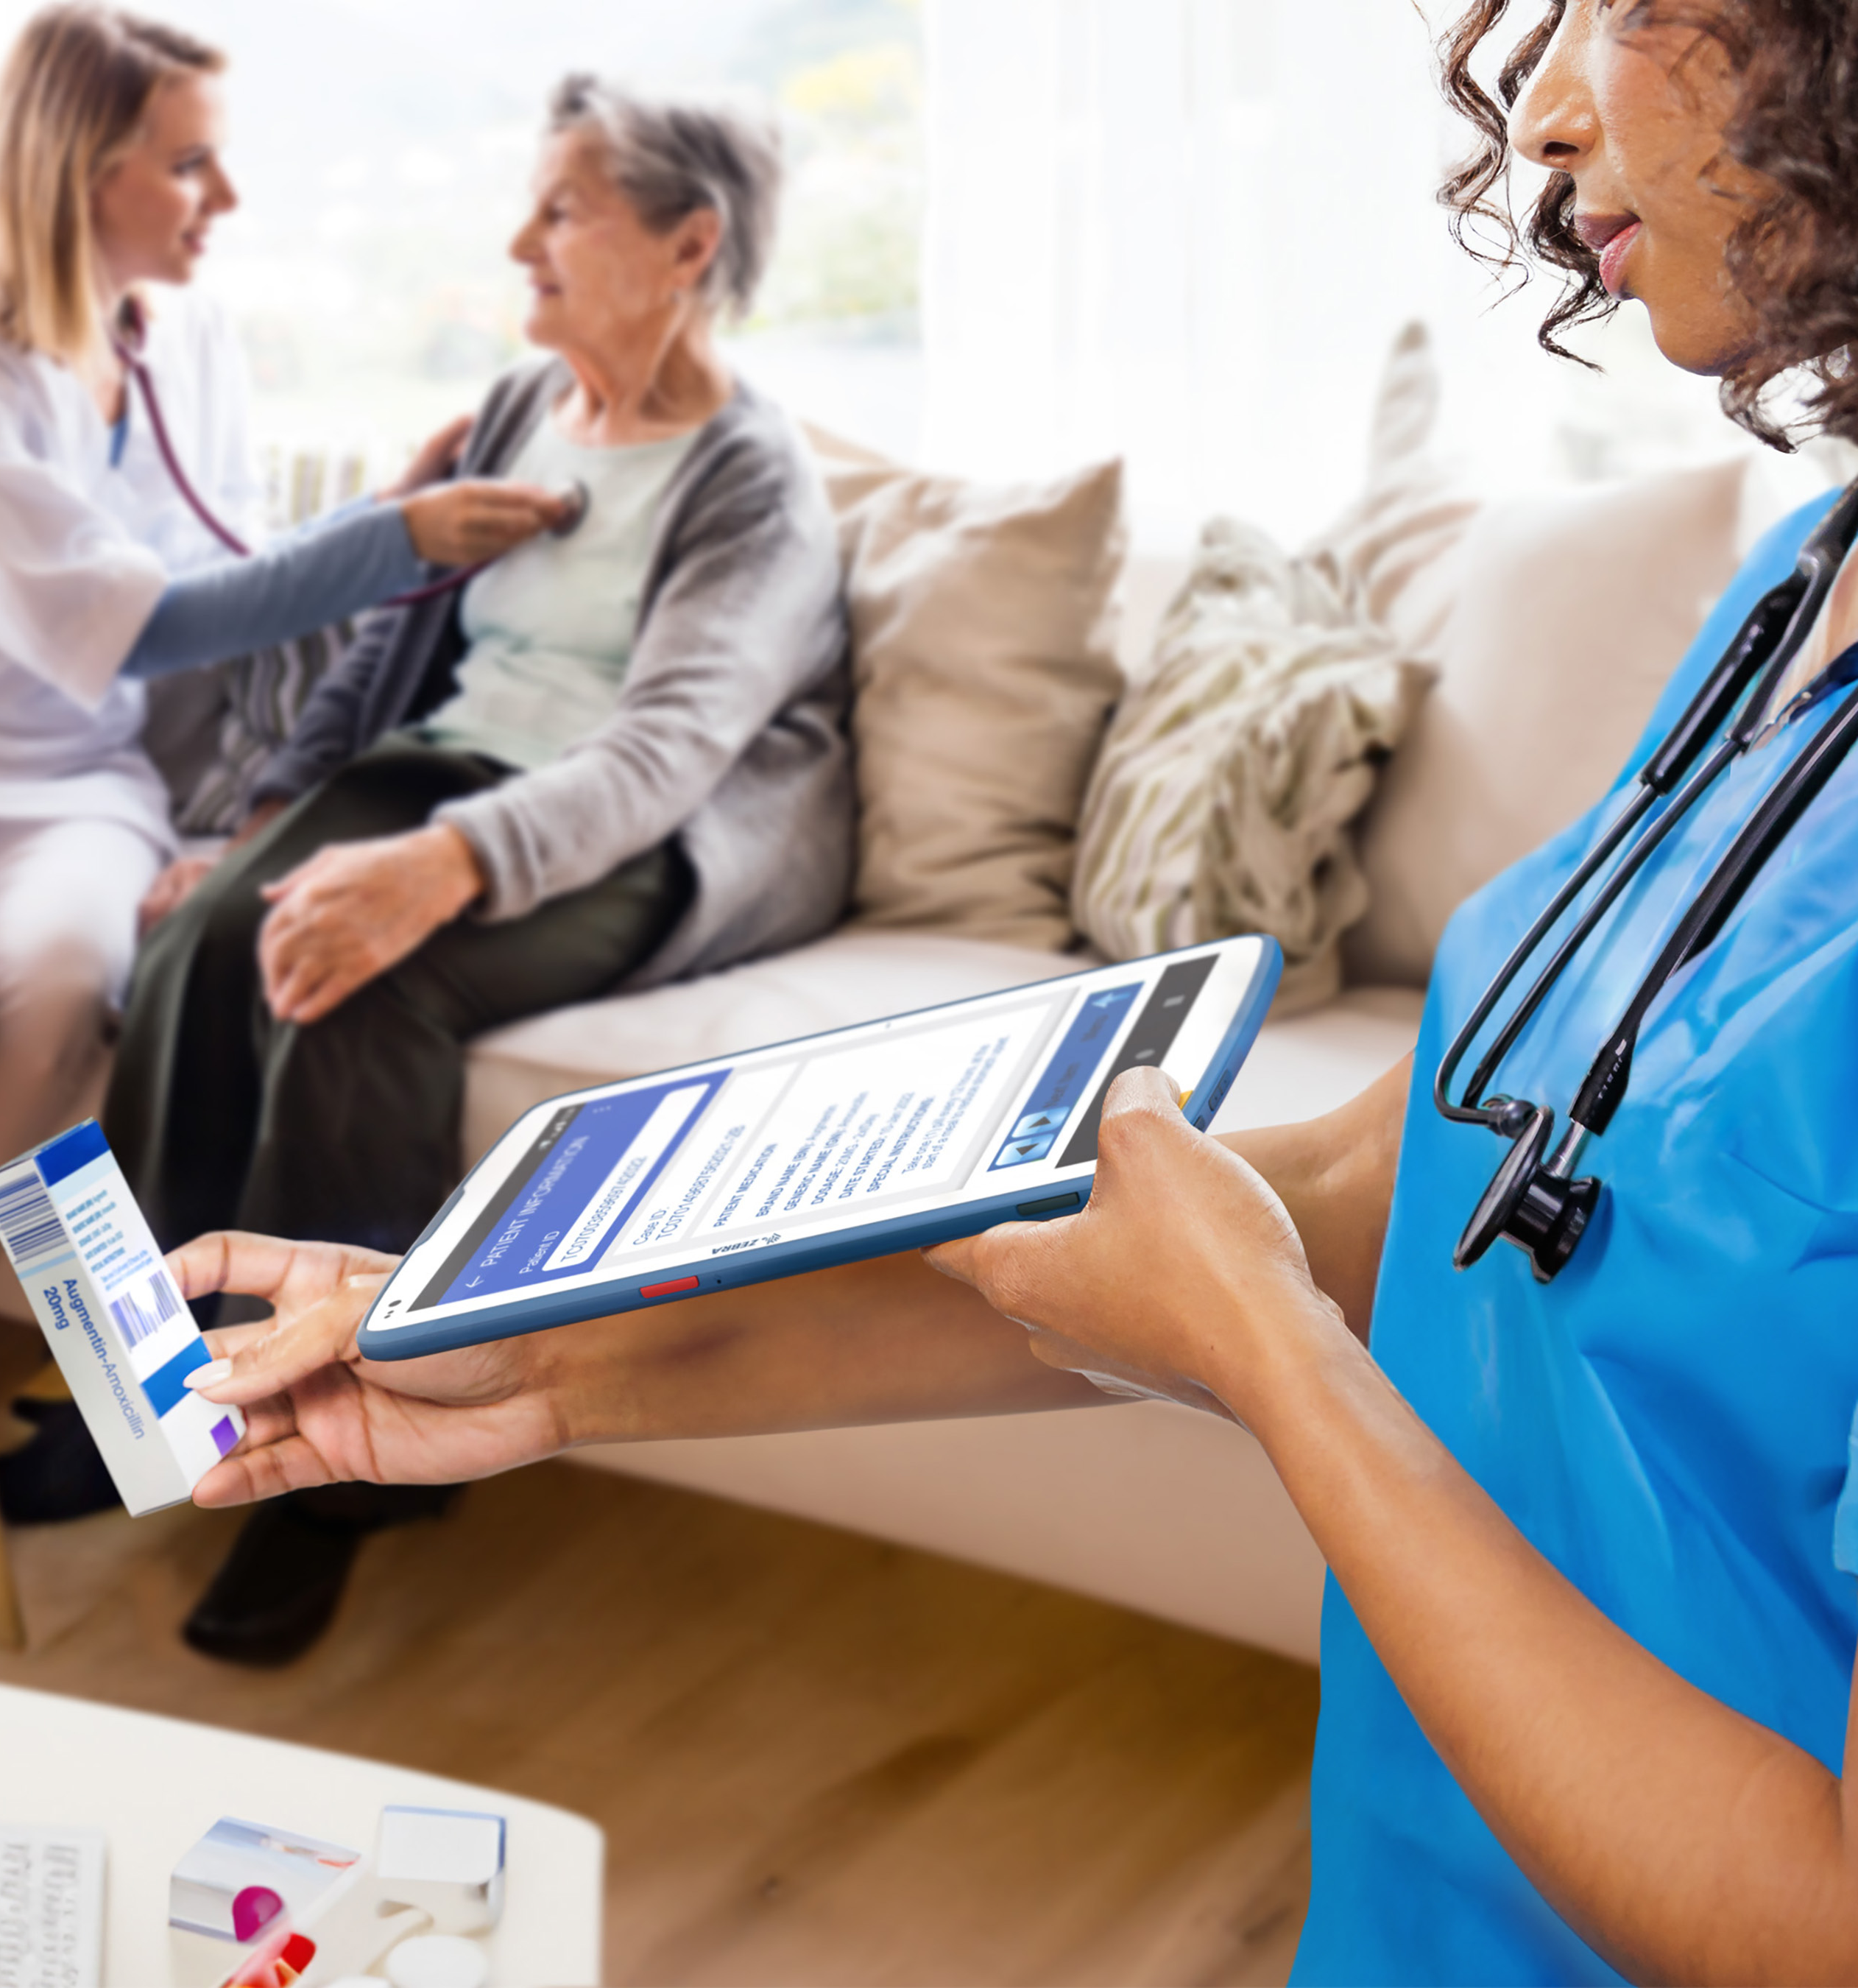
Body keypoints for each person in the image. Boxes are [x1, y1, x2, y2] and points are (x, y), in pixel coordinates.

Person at [158, 4, 1858, 1978]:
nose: (1546, 111)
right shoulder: (1786, 612)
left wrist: (1266, 1359)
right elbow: (1365, 1199)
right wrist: (541, 1358)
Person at [0, 4, 565, 1495]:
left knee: (61, 992)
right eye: (191, 167)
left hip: (70, 777)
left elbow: (223, 571)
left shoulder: (187, 343)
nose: (223, 203)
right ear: (77, 169)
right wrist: (390, 541)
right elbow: (152, 623)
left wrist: (386, 512)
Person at [103, 74, 852, 1664]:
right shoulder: (522, 410)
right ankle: (143, 1384)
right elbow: (395, 643)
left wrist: (442, 866)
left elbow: (665, 756)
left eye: (563, 208)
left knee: (363, 988)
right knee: (204, 942)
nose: (521, 242)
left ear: (687, 243)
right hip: (448, 774)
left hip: (644, 837)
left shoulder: (754, 483)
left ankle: (328, 1482)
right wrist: (273, 819)